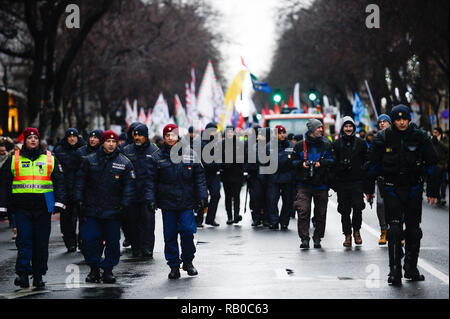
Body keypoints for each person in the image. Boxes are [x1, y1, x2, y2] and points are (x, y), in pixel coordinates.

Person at [365, 105, 439, 285]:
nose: (401, 122)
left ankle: (411, 268)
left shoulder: (420, 136)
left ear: (409, 119)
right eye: (398, 119)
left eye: (404, 119)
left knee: (414, 231)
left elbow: (433, 164)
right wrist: (368, 190)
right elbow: (372, 165)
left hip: (413, 188)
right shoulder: (382, 138)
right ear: (393, 121)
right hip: (391, 188)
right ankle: (394, 270)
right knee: (395, 230)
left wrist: (432, 191)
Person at [0, 128, 66, 288]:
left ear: (39, 140)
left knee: (41, 243)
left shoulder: (50, 158)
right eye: (30, 138)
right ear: (25, 141)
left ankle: (38, 275)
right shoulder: (13, 159)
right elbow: (4, 184)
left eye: (35, 137)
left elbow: (59, 182)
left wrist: (59, 202)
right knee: (24, 242)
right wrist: (2, 206)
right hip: (21, 209)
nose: (33, 140)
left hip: (43, 209)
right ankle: (23, 274)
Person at [75, 130, 136, 283]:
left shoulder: (124, 163)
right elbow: (80, 182)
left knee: (113, 243)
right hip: (92, 210)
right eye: (108, 141)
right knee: (89, 241)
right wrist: (79, 200)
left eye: (113, 142)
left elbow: (129, 186)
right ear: (102, 143)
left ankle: (108, 270)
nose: (110, 144)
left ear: (117, 144)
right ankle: (94, 269)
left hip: (113, 211)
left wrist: (125, 204)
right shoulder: (89, 160)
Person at [155, 124, 208, 279]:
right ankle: (174, 266)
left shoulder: (190, 154)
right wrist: (151, 199)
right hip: (167, 203)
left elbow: (199, 177)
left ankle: (188, 261)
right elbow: (151, 181)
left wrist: (202, 196)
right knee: (170, 235)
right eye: (167, 135)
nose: (170, 138)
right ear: (164, 138)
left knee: (187, 231)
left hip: (186, 202)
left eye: (173, 135)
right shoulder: (158, 157)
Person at [292, 119, 334, 249]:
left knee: (321, 214)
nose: (321, 130)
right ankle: (304, 238)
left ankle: (318, 238)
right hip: (304, 185)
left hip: (321, 185)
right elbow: (293, 162)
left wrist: (321, 163)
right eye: (318, 128)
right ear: (311, 131)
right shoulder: (300, 146)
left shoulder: (326, 145)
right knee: (303, 211)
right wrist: (302, 164)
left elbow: (332, 160)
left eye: (321, 128)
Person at [122, 124, 159, 258]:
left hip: (148, 193)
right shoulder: (126, 150)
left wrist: (156, 197)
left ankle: (147, 248)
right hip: (131, 193)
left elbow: (158, 175)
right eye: (135, 135)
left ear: (146, 136)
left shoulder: (154, 151)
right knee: (132, 223)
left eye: (140, 135)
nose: (137, 138)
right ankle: (136, 248)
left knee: (148, 223)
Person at [332, 117, 368, 247]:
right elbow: (332, 164)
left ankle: (356, 231)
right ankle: (347, 235)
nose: (348, 129)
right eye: (346, 126)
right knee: (344, 210)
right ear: (342, 128)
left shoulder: (361, 143)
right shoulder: (336, 144)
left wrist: (363, 173)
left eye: (350, 126)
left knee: (358, 207)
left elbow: (367, 160)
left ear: (354, 128)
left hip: (357, 181)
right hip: (342, 182)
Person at [54, 128, 85, 253]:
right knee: (66, 219)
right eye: (69, 137)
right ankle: (70, 242)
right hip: (65, 190)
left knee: (84, 217)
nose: (72, 139)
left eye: (74, 136)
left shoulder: (84, 149)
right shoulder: (59, 151)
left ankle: (83, 241)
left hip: (81, 189)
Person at [266, 125, 295, 230]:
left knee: (287, 201)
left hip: (288, 177)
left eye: (283, 133)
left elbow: (295, 161)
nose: (282, 135)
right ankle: (274, 221)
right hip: (274, 177)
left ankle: (284, 222)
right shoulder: (269, 146)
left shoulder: (291, 146)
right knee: (272, 200)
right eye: (279, 133)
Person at [198, 122, 222, 227]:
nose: (215, 133)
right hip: (203, 174)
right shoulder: (201, 143)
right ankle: (198, 219)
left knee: (216, 195)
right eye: (213, 131)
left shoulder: (216, 142)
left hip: (213, 174)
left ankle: (210, 218)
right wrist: (217, 164)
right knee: (202, 197)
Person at [221, 125, 245, 225]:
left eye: (231, 132)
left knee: (236, 196)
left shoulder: (239, 144)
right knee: (228, 196)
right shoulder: (221, 144)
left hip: (237, 173)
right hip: (226, 174)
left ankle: (236, 215)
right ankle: (229, 216)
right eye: (228, 132)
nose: (230, 134)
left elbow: (243, 157)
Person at [431, 127, 449, 207]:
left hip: (443, 164)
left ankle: (443, 197)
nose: (434, 134)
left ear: (440, 133)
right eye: (433, 132)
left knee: (443, 182)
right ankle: (438, 197)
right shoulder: (432, 140)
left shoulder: (444, 140)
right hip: (435, 164)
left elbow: (447, 147)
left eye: (436, 132)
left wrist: (439, 141)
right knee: (436, 182)